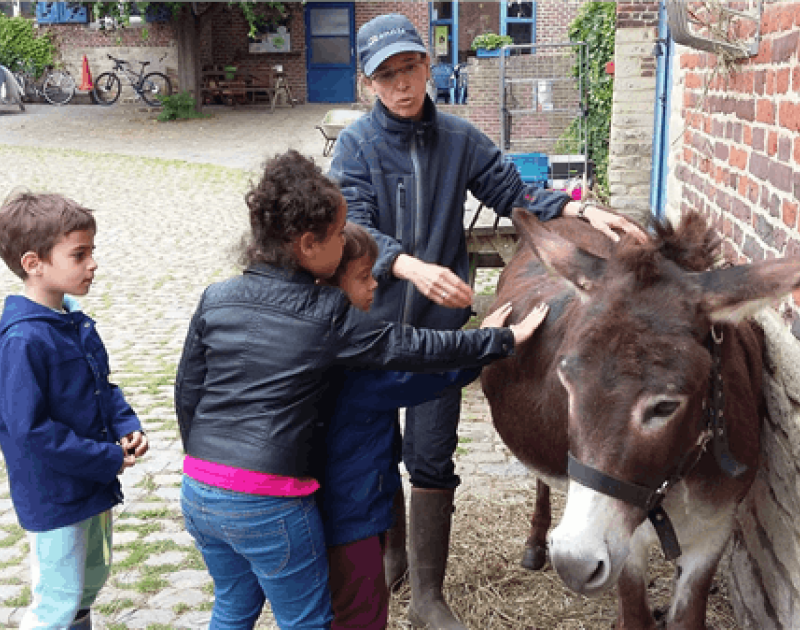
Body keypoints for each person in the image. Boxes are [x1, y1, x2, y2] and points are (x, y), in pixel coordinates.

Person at [328, 13, 647, 629]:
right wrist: (407, 266)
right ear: (369, 83)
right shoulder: (356, 147)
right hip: (369, 322)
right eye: (386, 75)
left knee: (430, 452)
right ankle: (391, 550)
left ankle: (428, 596)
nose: (402, 84)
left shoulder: (459, 138)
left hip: (442, 330)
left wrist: (584, 210)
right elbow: (354, 229)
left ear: (428, 66)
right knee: (372, 449)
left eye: (411, 68)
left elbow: (514, 192)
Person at [175, 150, 548, 630]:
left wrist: (205, 461)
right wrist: (496, 340)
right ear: (310, 245)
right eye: (338, 234)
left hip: (201, 488)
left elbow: (189, 392)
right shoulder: (325, 314)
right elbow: (410, 347)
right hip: (270, 495)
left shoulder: (217, 297)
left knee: (231, 607)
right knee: (308, 620)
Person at [319, 223, 521, 629]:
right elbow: (414, 379)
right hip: (372, 334)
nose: (373, 281)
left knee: (430, 455)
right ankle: (393, 564)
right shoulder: (344, 348)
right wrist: (486, 344)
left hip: (434, 328)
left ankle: (426, 594)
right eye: (364, 277)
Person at [0, 192, 148, 630]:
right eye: (79, 255)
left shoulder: (73, 319)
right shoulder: (22, 341)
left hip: (91, 486)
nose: (92, 264)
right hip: (55, 496)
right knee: (57, 600)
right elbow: (29, 430)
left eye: (92, 252)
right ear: (33, 263)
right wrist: (104, 458)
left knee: (86, 587)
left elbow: (102, 387)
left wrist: (125, 424)